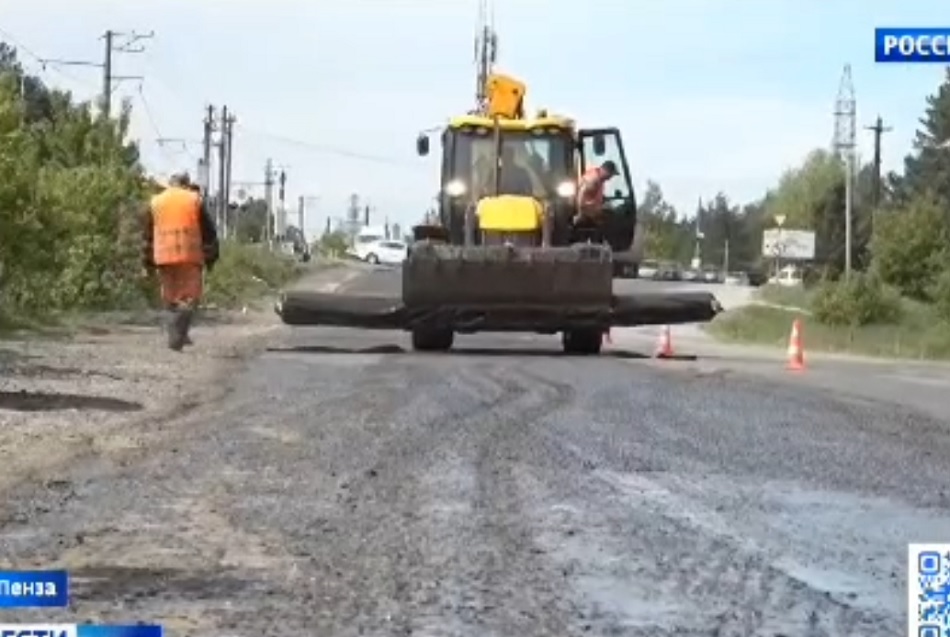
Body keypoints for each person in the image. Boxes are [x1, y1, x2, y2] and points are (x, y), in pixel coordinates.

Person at [142, 172, 219, 351]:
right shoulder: (194, 200)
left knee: (170, 299)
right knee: (189, 299)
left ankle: (176, 336)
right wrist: (211, 260)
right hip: (189, 257)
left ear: (170, 184)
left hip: (163, 258)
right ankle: (179, 335)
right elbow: (209, 233)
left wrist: (147, 265)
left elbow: (147, 237)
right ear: (186, 184)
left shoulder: (156, 202)